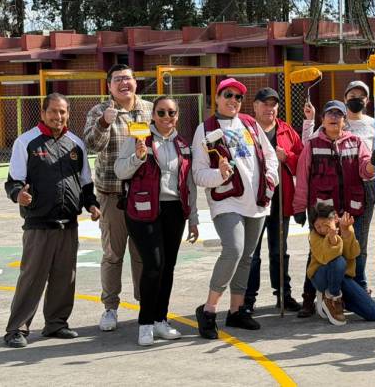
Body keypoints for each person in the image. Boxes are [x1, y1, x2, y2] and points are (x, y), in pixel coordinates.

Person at [3, 93, 100, 348]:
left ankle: (56, 323)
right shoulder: (26, 142)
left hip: (68, 223)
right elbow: (13, 181)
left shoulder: (76, 144)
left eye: (63, 112)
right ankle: (16, 329)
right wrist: (18, 195)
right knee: (32, 277)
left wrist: (92, 204)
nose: (58, 116)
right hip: (39, 223)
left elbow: (85, 183)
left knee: (65, 277)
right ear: (43, 113)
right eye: (54, 111)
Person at [191, 78, 279, 339]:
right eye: (228, 95)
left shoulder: (250, 123)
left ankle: (236, 310)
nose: (233, 100)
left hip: (257, 201)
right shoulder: (205, 129)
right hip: (226, 201)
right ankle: (208, 310)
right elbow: (198, 173)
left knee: (247, 256)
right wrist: (219, 175)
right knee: (234, 249)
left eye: (238, 97)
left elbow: (270, 156)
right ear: (217, 98)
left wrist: (271, 180)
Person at [114, 96, 200, 346]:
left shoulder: (183, 145)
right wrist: (138, 157)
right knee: (154, 265)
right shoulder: (138, 139)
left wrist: (193, 218)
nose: (166, 117)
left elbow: (190, 184)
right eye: (161, 112)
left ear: (177, 116)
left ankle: (161, 320)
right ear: (153, 115)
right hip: (143, 210)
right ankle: (145, 324)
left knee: (168, 267)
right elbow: (120, 171)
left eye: (171, 113)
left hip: (175, 210)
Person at [293, 100, 375, 317]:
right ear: (322, 119)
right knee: (318, 252)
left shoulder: (356, 142)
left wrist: (372, 163)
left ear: (344, 120)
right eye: (330, 114)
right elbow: (302, 178)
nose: (334, 118)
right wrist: (299, 207)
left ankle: (356, 291)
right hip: (323, 213)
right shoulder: (312, 145)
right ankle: (309, 298)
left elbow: (365, 172)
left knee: (355, 251)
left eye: (338, 114)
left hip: (351, 210)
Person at [84, 64, 152, 332]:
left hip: (144, 195)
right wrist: (104, 122)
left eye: (128, 78)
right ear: (109, 86)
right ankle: (110, 307)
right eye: (118, 80)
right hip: (113, 194)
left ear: (135, 82)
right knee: (113, 254)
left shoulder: (148, 109)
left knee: (142, 254)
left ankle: (146, 305)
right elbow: (93, 144)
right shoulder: (99, 111)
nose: (124, 83)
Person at [244, 87, 305, 313]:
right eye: (265, 103)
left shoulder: (287, 132)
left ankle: (283, 294)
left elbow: (302, 163)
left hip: (281, 199)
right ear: (255, 106)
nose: (269, 108)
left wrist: (287, 157)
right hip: (254, 201)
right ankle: (247, 299)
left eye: (273, 104)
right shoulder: (245, 130)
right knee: (252, 254)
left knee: (279, 251)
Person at [307, 203, 375, 325]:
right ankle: (332, 298)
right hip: (321, 275)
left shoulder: (345, 227)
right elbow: (326, 258)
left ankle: (340, 301)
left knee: (373, 313)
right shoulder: (314, 236)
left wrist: (346, 232)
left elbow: (353, 254)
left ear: (335, 218)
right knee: (338, 261)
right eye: (318, 226)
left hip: (343, 277)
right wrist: (332, 239)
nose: (322, 229)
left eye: (325, 224)